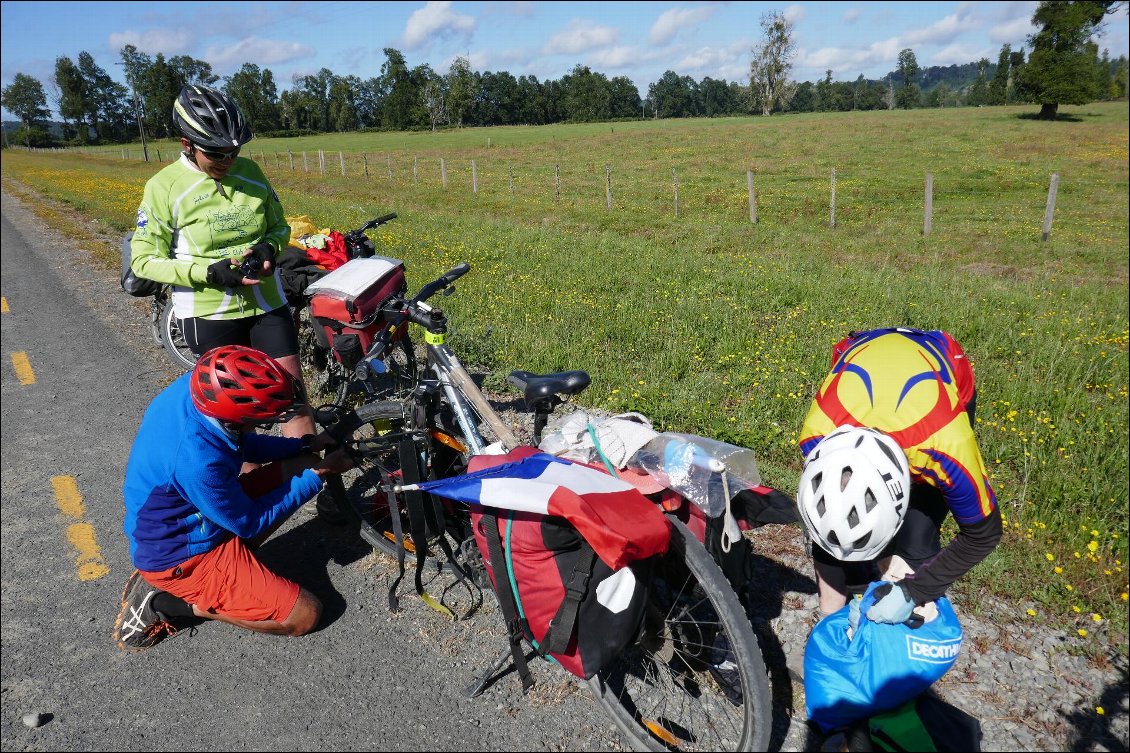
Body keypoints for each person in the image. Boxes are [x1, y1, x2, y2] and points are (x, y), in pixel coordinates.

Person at [113, 345, 352, 651]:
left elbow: (239, 442)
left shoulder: (196, 389)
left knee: (300, 463)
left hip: (195, 519)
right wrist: (318, 474)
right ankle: (169, 603)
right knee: (304, 615)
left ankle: (233, 573)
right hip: (180, 557)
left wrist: (303, 445)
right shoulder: (197, 462)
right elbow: (250, 523)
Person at [129, 83, 314, 440]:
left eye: (234, 150)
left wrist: (268, 249)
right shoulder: (164, 187)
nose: (228, 160)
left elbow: (278, 225)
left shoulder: (250, 171)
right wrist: (208, 273)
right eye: (216, 154)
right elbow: (144, 261)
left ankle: (311, 486)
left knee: (292, 401)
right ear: (187, 145)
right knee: (236, 419)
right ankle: (250, 494)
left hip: (267, 304)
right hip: (209, 313)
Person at [795, 327, 1002, 624]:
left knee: (918, 536)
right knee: (836, 517)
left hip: (941, 365)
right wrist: (829, 617)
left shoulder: (945, 448)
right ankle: (837, 614)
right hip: (863, 356)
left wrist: (913, 592)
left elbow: (983, 535)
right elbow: (830, 517)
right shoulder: (817, 438)